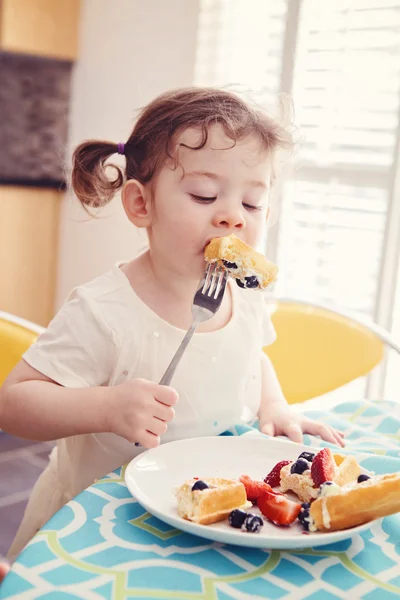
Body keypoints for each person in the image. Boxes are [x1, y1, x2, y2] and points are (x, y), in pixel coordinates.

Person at [0, 87, 344, 561]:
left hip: (196, 511)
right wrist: (105, 408)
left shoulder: (241, 294)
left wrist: (276, 404)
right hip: (98, 524)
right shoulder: (105, 310)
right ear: (142, 204)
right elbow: (14, 403)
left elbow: (251, 356)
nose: (231, 218)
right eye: (205, 195)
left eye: (251, 204)